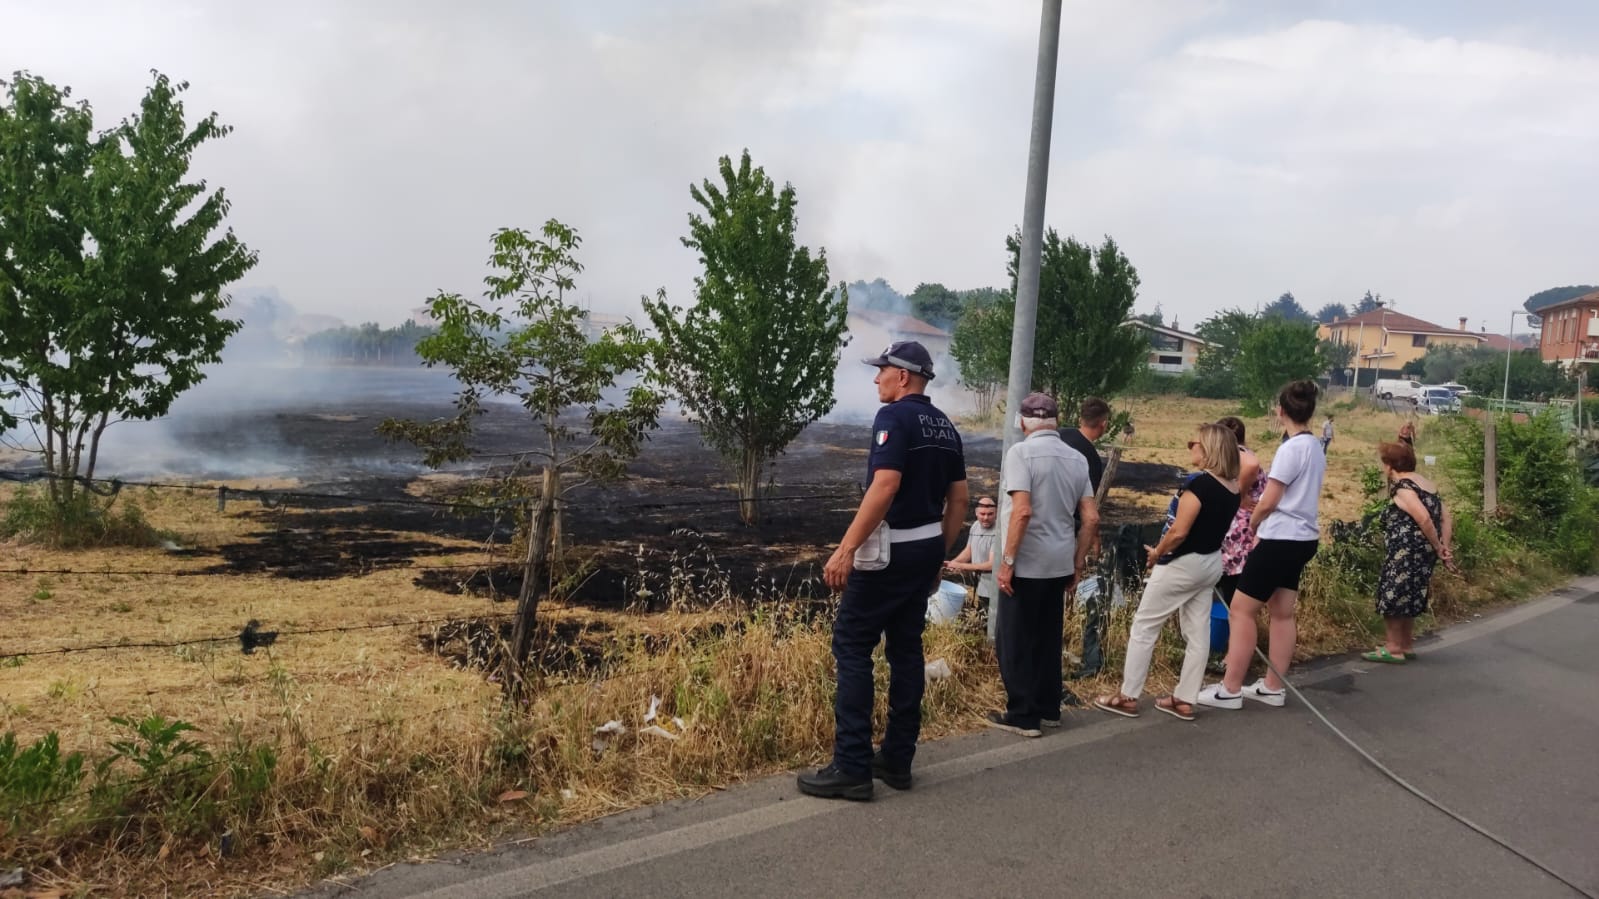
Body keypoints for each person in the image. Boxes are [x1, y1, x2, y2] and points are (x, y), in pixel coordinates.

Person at [798, 340, 967, 801]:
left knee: (852, 645)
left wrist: (845, 549)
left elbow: (885, 484)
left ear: (904, 376)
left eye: (882, 371)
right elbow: (960, 501)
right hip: (923, 552)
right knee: (906, 650)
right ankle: (897, 759)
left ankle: (851, 765)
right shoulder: (946, 426)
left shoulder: (893, 418)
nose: (876, 379)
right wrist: (939, 554)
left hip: (887, 555)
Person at [1096, 424, 1239, 720]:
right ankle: (1185, 699)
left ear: (1209, 449)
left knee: (1145, 626)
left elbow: (1178, 531)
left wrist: (1158, 552)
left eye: (1194, 443)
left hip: (1183, 564)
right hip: (1211, 562)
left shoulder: (1198, 485)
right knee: (1197, 633)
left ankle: (1128, 696)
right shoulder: (1233, 487)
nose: (1191, 448)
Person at [1199, 380, 1326, 711]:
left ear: (1280, 411)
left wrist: (1253, 525)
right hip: (1304, 538)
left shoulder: (1289, 449)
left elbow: (1269, 500)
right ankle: (1272, 687)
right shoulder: (1315, 446)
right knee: (1282, 612)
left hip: (1278, 537)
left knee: (1242, 610)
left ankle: (1229, 689)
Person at [989, 393, 1098, 738]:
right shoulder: (1077, 458)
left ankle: (1023, 715)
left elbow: (1022, 511)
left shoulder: (1020, 453)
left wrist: (1006, 563)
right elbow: (1091, 517)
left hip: (1027, 563)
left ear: (1022, 422)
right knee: (1048, 636)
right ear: (1055, 420)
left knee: (1015, 638)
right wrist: (1078, 562)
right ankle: (1049, 707)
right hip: (1060, 561)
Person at [1363, 441, 1458, 664]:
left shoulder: (1403, 487)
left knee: (1393, 594)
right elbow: (1446, 517)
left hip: (1405, 550)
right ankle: (1406, 645)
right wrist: (1443, 545)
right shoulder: (1428, 484)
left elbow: (1423, 518)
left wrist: (1437, 546)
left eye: (1384, 463)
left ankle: (1393, 647)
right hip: (1424, 552)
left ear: (1390, 466)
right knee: (1412, 593)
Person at [1216, 416, 1265, 607]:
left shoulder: (1241, 455)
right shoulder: (1237, 455)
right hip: (1241, 530)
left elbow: (1251, 466)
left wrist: (1241, 494)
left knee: (1234, 586)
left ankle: (1233, 630)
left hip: (1239, 532)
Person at [944, 496, 998, 640]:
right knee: (980, 621)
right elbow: (969, 551)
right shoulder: (975, 526)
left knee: (991, 626)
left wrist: (962, 566)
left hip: (994, 589)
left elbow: (992, 564)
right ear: (976, 513)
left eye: (990, 514)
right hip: (980, 585)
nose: (985, 518)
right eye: (982, 514)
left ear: (996, 513)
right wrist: (953, 563)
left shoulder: (998, 532)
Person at [1059, 397, 1110, 496]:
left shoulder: (1059, 434)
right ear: (1103, 424)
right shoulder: (1092, 459)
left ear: (1080, 420)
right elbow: (1087, 499)